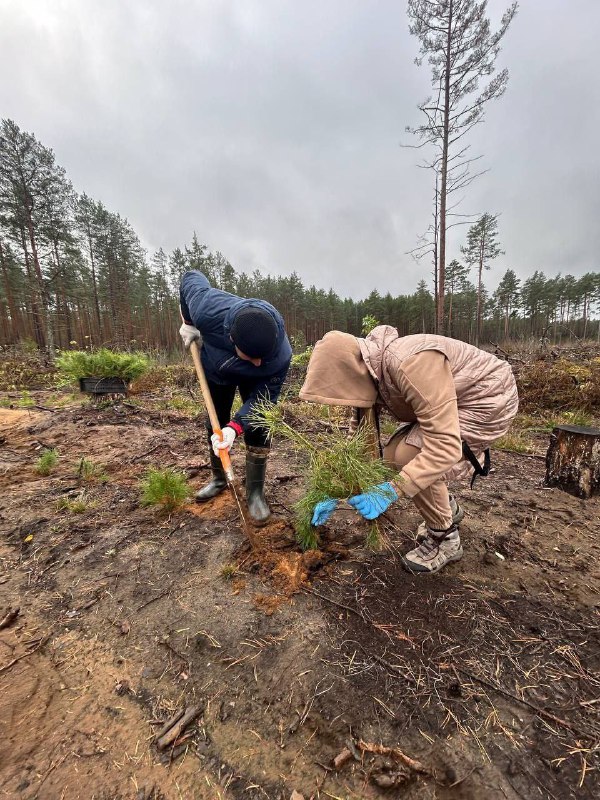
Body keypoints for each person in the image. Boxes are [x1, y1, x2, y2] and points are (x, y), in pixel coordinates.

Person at [299, 326, 519, 573]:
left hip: (486, 399)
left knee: (408, 455)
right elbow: (360, 437)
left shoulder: (412, 365)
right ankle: (447, 508)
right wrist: (333, 490)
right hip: (454, 400)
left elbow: (444, 446)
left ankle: (444, 538)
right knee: (394, 455)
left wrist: (391, 491)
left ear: (352, 371)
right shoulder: (369, 370)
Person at [179, 270, 292, 524]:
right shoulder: (207, 309)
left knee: (259, 427)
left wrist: (236, 427)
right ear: (231, 338)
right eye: (250, 356)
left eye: (263, 355)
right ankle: (219, 479)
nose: (258, 361)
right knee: (215, 422)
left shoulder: (280, 356)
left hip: (259, 382)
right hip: (217, 369)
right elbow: (189, 278)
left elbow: (263, 402)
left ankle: (255, 494)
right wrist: (188, 322)